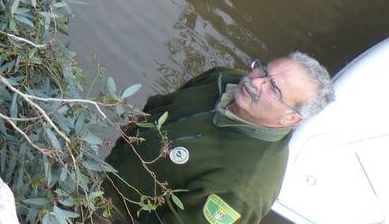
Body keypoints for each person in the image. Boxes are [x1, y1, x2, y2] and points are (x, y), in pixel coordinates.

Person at [104, 53, 335, 224]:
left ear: (291, 118)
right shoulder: (224, 78)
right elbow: (165, 103)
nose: (256, 82)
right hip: (108, 171)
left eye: (273, 89)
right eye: (265, 70)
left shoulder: (243, 189)